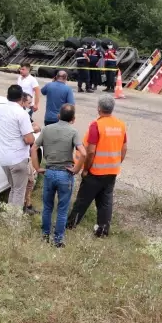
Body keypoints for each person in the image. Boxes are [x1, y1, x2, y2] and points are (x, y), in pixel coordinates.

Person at [66, 94, 127, 237]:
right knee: (105, 202)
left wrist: (86, 169)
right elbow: (124, 149)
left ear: (99, 108)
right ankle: (103, 231)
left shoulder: (96, 125)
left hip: (95, 171)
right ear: (112, 109)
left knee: (83, 200)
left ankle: (70, 225)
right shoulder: (120, 124)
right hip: (112, 171)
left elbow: (91, 151)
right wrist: (116, 163)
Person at [31, 104, 86, 247]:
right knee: (62, 209)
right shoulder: (73, 132)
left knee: (47, 207)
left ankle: (44, 236)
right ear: (73, 119)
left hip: (49, 172)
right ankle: (58, 240)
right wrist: (76, 170)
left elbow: (34, 148)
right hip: (65, 174)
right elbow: (84, 153)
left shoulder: (47, 129)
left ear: (58, 116)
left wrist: (37, 168)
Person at [0, 85, 35, 208]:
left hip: (4, 159)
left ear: (7, 96)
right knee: (19, 191)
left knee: (14, 188)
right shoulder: (21, 114)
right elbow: (29, 139)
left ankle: (10, 214)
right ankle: (14, 220)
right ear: (21, 97)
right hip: (18, 159)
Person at [22, 93, 42, 215]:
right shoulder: (21, 115)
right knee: (29, 181)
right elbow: (31, 130)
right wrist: (31, 128)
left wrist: (31, 127)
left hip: (26, 155)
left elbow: (37, 127)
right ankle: (26, 206)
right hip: (23, 155)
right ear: (23, 101)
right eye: (29, 103)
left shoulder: (25, 114)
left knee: (30, 181)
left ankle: (27, 205)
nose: (31, 105)